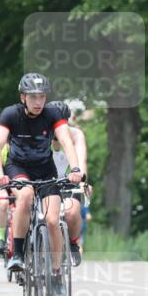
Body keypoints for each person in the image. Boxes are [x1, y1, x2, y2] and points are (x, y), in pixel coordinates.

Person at [0, 72, 84, 296]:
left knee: (53, 220)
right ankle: (18, 254)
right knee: (26, 195)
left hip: (45, 168)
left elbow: (65, 141)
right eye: (33, 97)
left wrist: (75, 168)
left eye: (42, 96)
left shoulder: (51, 114)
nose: (39, 101)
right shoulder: (10, 114)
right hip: (18, 166)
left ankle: (56, 274)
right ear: (23, 98)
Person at [50, 100, 90, 266]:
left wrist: (83, 181)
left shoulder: (76, 135)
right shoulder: (41, 133)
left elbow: (82, 162)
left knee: (73, 212)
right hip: (44, 179)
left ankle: (73, 243)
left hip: (67, 180)